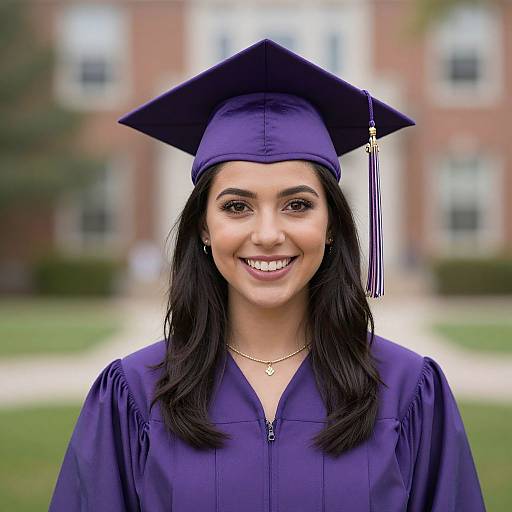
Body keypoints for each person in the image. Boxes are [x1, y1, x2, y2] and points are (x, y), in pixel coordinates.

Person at [49, 39, 486, 511]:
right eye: (237, 207)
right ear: (205, 228)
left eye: (297, 205)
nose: (268, 234)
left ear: (332, 225)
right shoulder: (134, 396)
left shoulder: (407, 392)